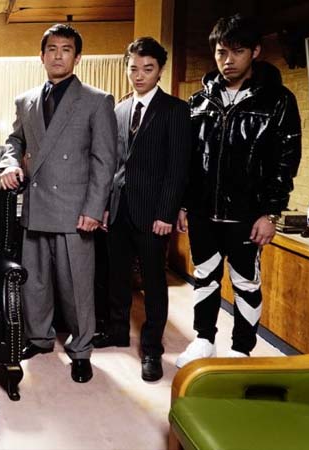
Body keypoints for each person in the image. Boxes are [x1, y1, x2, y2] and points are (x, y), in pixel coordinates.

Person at [176, 14, 301, 368]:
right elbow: (187, 159)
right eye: (221, 52)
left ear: (255, 51)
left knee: (246, 283)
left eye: (237, 51)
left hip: (248, 214)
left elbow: (286, 161)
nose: (227, 60)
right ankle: (203, 340)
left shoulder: (278, 101)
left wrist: (271, 212)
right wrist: (183, 204)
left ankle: (242, 349)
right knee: (204, 277)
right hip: (202, 211)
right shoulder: (199, 101)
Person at [0, 23, 117, 383]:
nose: (58, 55)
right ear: (41, 55)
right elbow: (14, 141)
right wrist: (9, 163)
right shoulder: (26, 99)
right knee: (34, 283)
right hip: (36, 205)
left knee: (76, 286)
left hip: (75, 210)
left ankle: (81, 350)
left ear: (77, 57)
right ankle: (39, 338)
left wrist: (94, 209)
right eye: (51, 49)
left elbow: (104, 161)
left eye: (66, 49)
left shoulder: (97, 100)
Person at [93, 37, 191, 382]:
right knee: (116, 277)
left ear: (160, 70)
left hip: (153, 214)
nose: (139, 75)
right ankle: (117, 331)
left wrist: (167, 212)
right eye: (133, 68)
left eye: (147, 69)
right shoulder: (119, 110)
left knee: (153, 282)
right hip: (119, 209)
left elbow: (178, 167)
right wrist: (106, 207)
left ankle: (152, 348)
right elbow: (113, 164)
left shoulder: (175, 110)